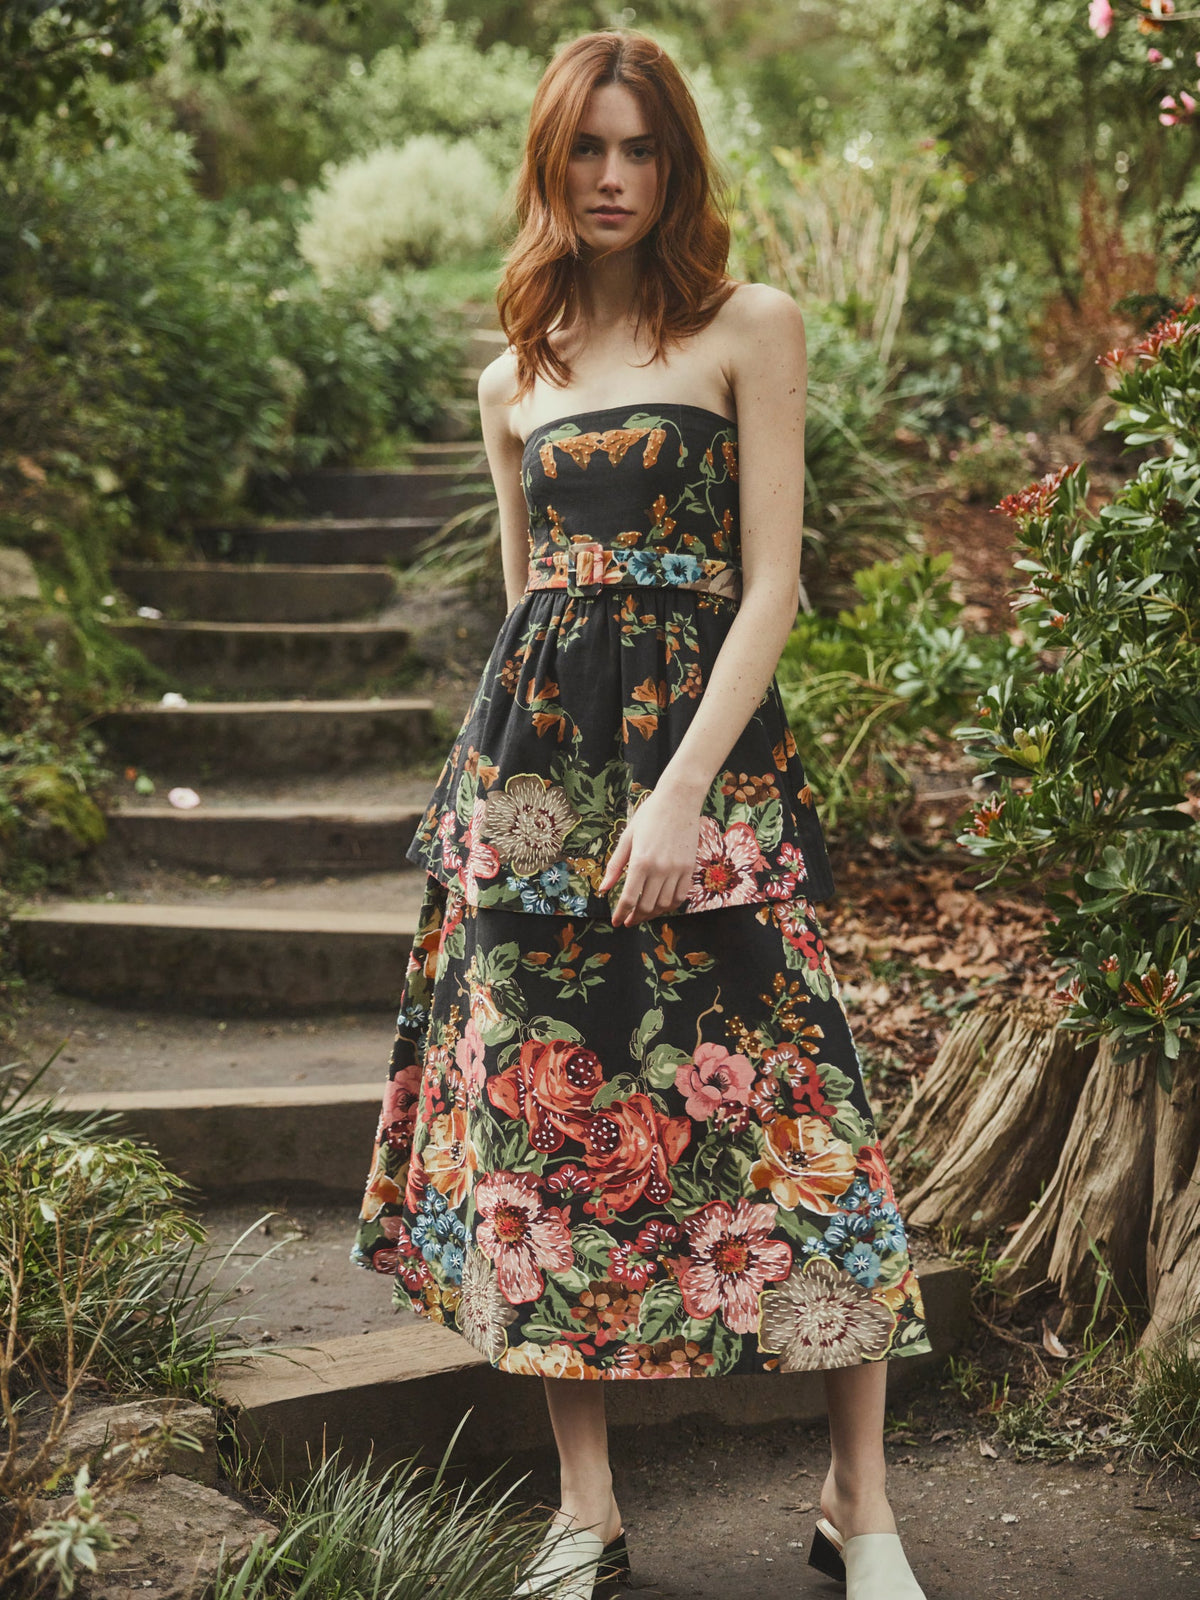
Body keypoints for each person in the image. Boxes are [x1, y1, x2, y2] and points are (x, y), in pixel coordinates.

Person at [353, 28, 934, 1600]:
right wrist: (528, 802)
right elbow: (524, 597)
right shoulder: (512, 379)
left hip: (712, 787)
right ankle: (586, 1511)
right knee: (547, 1139)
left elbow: (774, 585)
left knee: (803, 1128)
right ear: (552, 165)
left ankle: (859, 1504)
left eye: (643, 150)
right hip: (530, 802)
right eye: (588, 151)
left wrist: (679, 789)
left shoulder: (750, 326)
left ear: (676, 165)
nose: (614, 178)